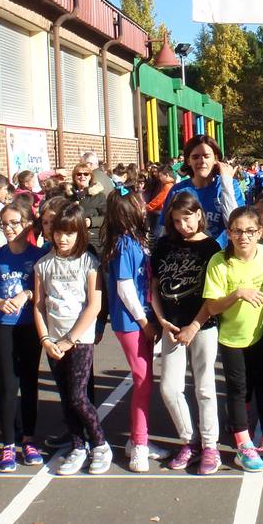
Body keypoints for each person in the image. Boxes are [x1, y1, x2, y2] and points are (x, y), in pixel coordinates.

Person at [35, 203, 112, 476]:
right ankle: (78, 446)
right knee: (66, 397)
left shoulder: (89, 263)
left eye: (69, 233)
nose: (63, 238)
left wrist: (70, 338)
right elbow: (39, 305)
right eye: (58, 232)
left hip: (79, 340)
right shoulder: (43, 265)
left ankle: (100, 444)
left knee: (79, 396)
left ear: (80, 233)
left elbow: (94, 305)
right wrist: (45, 338)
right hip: (53, 341)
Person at [151, 192, 223, 475]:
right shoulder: (165, 244)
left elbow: (214, 293)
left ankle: (210, 446)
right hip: (171, 327)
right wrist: (161, 320)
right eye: (177, 220)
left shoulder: (211, 247)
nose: (183, 225)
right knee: (169, 387)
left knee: (205, 387)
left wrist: (194, 325)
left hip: (202, 326)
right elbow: (154, 287)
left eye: (188, 218)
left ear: (198, 214)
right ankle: (188, 440)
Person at [204, 206, 263, 472]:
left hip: (260, 334)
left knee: (260, 384)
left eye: (249, 231)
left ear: (260, 233)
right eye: (237, 231)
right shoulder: (219, 262)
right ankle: (243, 445)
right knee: (237, 388)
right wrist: (237, 293)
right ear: (229, 233)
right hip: (231, 337)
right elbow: (211, 307)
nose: (243, 236)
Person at [0, 203, 46, 473]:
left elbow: (41, 290)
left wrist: (27, 295)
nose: (8, 229)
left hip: (30, 325)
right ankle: (8, 443)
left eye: (14, 223)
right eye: (4, 224)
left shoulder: (39, 255)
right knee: (8, 385)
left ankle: (28, 439)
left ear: (28, 224)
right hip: (4, 325)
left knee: (29, 381)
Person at [104, 188, 160, 472]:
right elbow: (125, 287)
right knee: (142, 381)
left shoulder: (137, 239)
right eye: (139, 205)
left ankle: (140, 438)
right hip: (131, 322)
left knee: (145, 381)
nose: (144, 208)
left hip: (142, 318)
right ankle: (138, 444)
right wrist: (144, 321)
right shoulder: (125, 243)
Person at [165, 134, 246, 246]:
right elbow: (167, 229)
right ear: (188, 160)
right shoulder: (177, 190)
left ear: (216, 159)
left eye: (207, 156)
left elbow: (236, 224)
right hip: (188, 257)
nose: (201, 161)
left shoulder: (230, 185)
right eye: (195, 157)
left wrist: (226, 183)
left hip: (221, 255)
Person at [71, 162, 108, 256]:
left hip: (93, 240)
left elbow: (107, 217)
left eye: (86, 174)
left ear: (90, 176)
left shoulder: (99, 196)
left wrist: (91, 221)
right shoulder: (69, 196)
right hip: (72, 239)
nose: (82, 176)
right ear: (74, 177)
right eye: (78, 174)